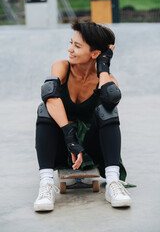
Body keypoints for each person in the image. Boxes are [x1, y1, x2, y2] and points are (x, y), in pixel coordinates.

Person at [34, 19, 132, 212]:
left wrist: (103, 65)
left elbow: (111, 98)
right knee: (44, 107)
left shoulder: (107, 80)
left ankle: (113, 183)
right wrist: (70, 137)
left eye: (77, 46)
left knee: (107, 107)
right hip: (64, 144)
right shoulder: (62, 66)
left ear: (94, 53)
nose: (70, 49)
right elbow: (49, 95)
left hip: (92, 149)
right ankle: (46, 184)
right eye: (70, 43)